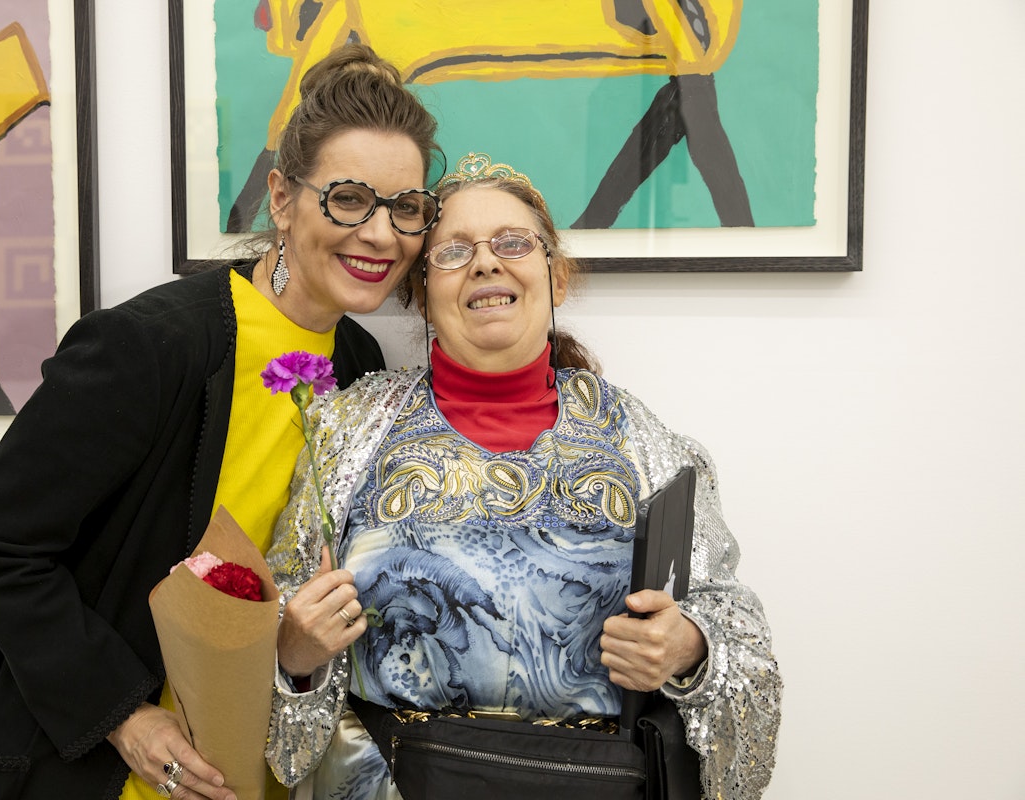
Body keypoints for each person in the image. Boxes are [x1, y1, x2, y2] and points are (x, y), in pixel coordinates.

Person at [0, 44, 442, 800]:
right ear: (282, 198)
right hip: (108, 774)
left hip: (257, 770)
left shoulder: (361, 365)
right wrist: (124, 716)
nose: (381, 235)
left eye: (406, 209)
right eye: (349, 199)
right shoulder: (153, 344)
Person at [265, 153, 781, 800]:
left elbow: (737, 631)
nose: (485, 262)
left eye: (512, 243)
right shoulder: (345, 435)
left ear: (556, 278)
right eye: (453, 252)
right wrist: (294, 656)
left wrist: (691, 647)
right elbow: (273, 628)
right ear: (422, 295)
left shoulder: (642, 443)